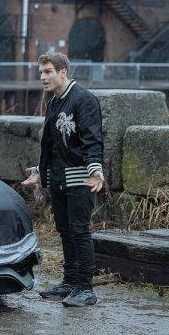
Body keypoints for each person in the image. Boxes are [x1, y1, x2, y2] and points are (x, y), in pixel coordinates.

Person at [22, 52, 105, 307]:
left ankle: (85, 288)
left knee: (79, 231)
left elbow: (93, 139)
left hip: (80, 179)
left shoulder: (84, 100)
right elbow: (55, 145)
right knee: (65, 232)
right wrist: (40, 170)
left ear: (62, 72)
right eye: (40, 73)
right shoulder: (56, 102)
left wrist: (95, 170)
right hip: (58, 179)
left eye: (47, 72)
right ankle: (70, 282)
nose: (43, 77)